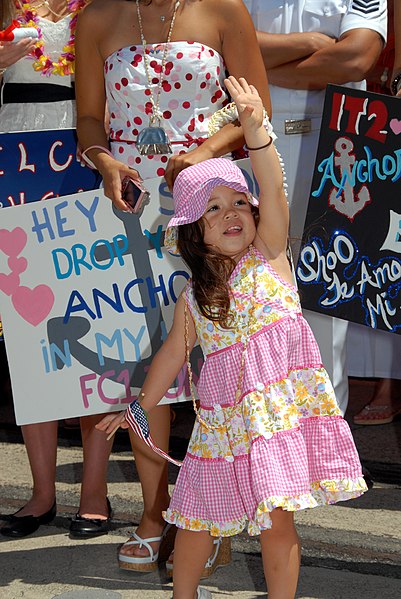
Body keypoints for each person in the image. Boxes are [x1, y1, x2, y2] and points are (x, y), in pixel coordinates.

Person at [96, 75, 368, 599]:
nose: (231, 214)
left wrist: (255, 129)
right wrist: (139, 405)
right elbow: (172, 354)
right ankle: (184, 594)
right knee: (196, 519)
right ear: (193, 231)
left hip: (274, 420)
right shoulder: (193, 296)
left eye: (238, 203)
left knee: (277, 523)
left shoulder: (271, 255)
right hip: (221, 425)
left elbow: (274, 185)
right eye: (213, 208)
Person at [74, 0, 271, 573]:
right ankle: (156, 514)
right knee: (145, 365)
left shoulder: (222, 9)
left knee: (221, 362)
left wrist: (206, 153)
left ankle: (220, 511)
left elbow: (254, 106)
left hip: (212, 208)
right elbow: (89, 117)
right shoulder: (97, 18)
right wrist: (104, 163)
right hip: (129, 211)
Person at [0, 0, 113, 540]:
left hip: (85, 159)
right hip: (11, 160)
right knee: (28, 333)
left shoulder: (105, 6)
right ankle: (41, 493)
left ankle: (95, 491)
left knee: (91, 322)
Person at [243, 0, 387, 419]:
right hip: (253, 141)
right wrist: (308, 43)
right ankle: (268, 439)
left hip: (337, 149)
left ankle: (326, 447)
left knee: (327, 301)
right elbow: (218, 43)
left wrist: (257, 67)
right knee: (254, 292)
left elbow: (356, 57)